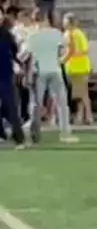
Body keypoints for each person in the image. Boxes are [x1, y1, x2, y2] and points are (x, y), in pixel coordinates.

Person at [23, 10, 72, 143]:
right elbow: (67, 49)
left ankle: (35, 133)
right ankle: (65, 132)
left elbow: (24, 55)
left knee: (36, 103)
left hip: (39, 71)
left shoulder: (32, 36)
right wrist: (60, 60)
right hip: (54, 69)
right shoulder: (56, 33)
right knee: (62, 102)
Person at [62, 14, 93, 126]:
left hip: (80, 67)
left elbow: (84, 50)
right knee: (79, 93)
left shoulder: (78, 34)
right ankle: (80, 116)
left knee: (83, 93)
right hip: (72, 68)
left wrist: (69, 55)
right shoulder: (67, 34)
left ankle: (88, 115)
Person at [0, 7, 23, 144]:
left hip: (6, 74)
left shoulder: (7, 34)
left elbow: (15, 52)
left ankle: (18, 137)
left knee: (11, 106)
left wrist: (18, 65)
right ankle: (1, 134)